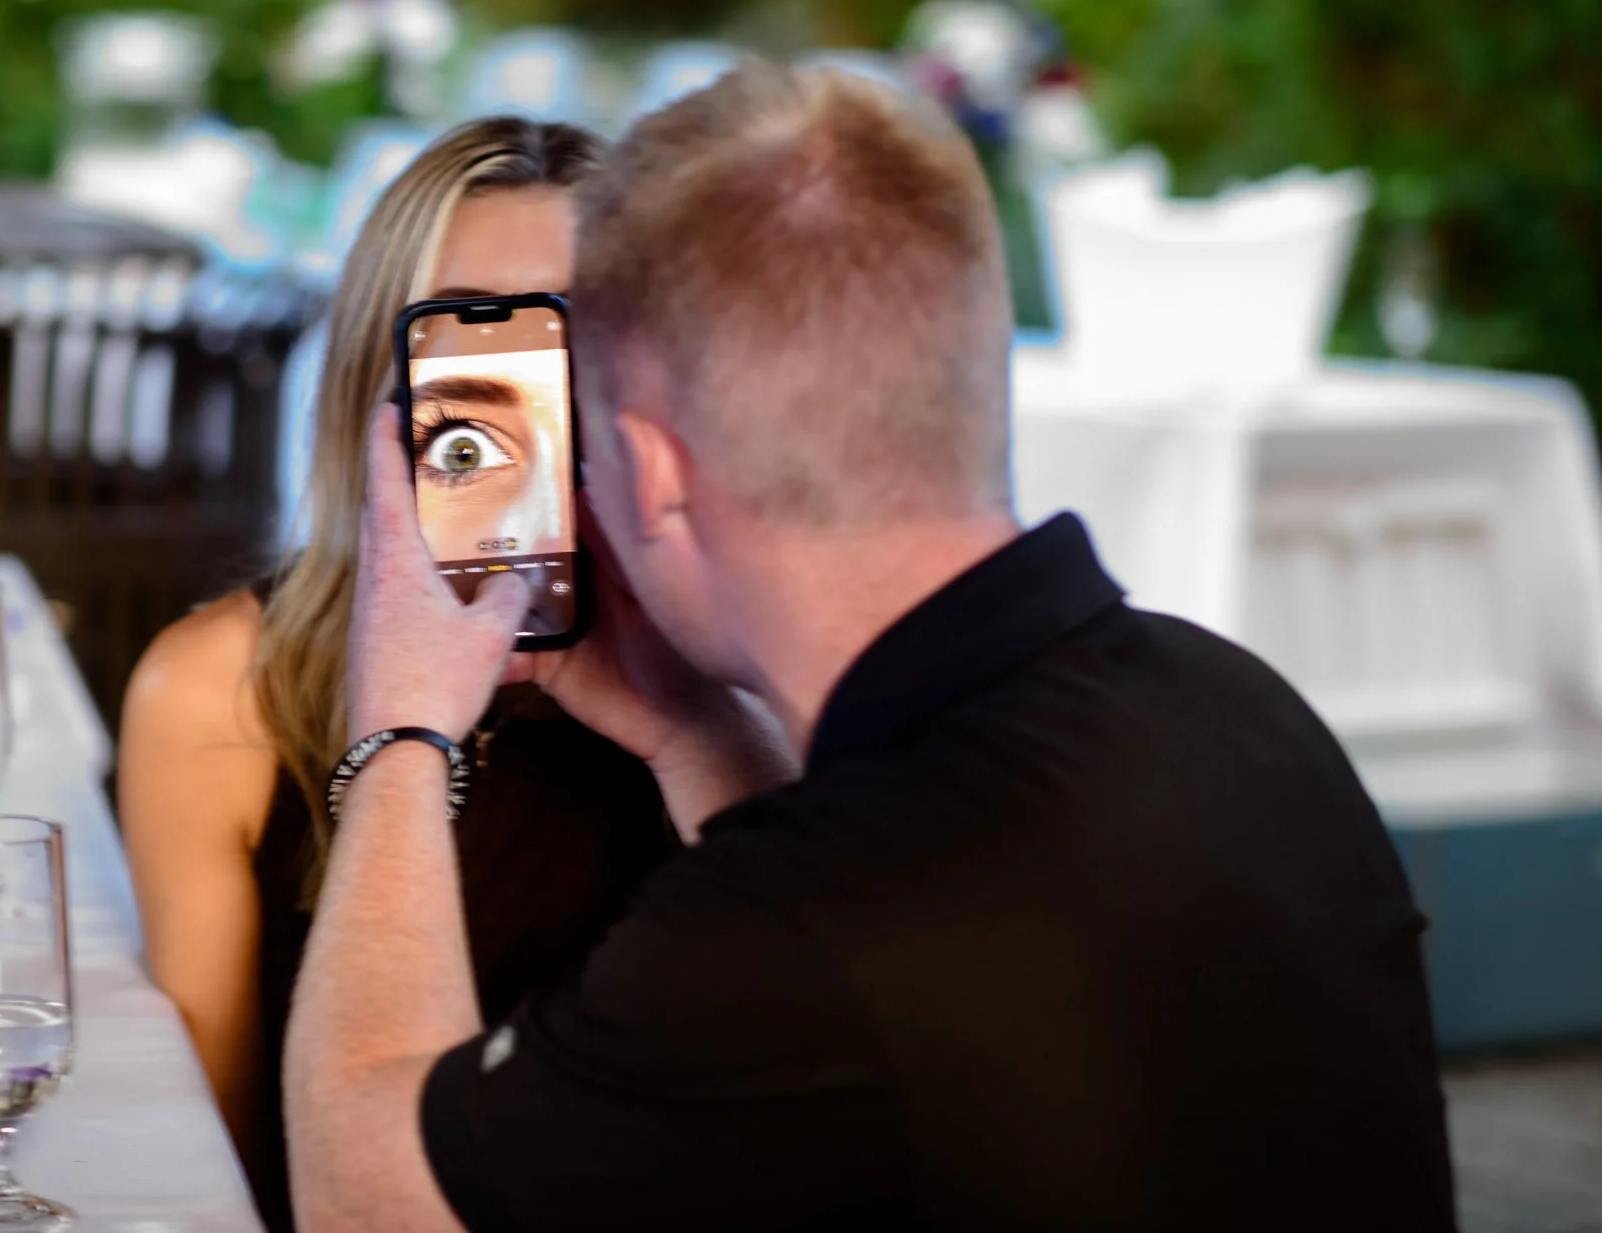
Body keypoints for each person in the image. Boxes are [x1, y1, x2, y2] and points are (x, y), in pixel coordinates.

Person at [284, 61, 1456, 1231]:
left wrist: (399, 729)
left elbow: (363, 1197)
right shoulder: (1238, 703)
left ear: (650, 471)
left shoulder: (809, 925)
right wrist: (694, 731)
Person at [117, 118, 675, 1231]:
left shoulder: (732, 676)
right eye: (480, 338)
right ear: (389, 376)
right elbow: (209, 1166)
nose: (535, 386)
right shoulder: (226, 687)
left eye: (580, 329)